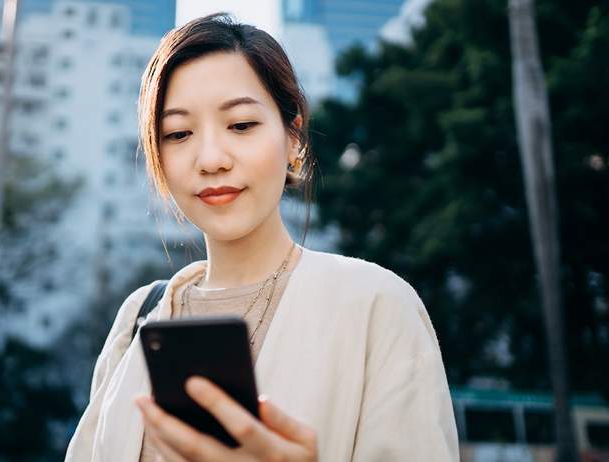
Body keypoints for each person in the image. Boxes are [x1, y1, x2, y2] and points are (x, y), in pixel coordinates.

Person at [65, 13, 459, 462]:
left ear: (293, 137)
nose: (211, 159)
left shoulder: (376, 305)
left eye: (241, 125)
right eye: (178, 134)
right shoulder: (140, 317)